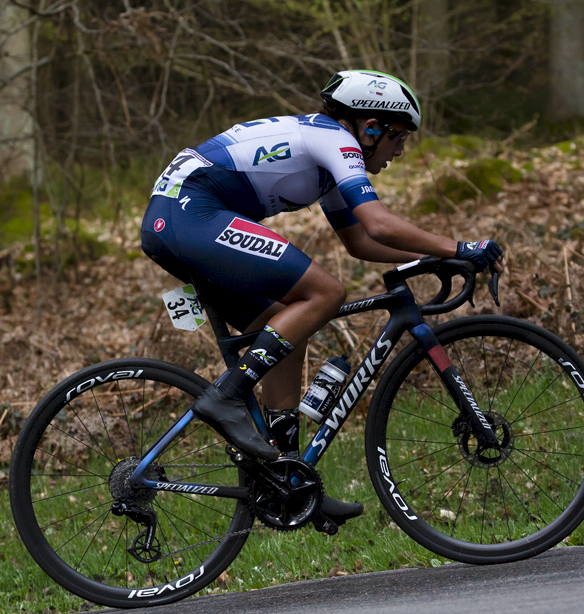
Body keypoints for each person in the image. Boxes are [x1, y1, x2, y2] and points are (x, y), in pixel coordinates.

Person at [141, 69, 503, 526]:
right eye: (398, 137)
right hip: (189, 212)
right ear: (370, 127)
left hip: (178, 218)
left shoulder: (325, 153)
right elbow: (380, 224)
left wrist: (431, 259)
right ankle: (225, 398)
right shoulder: (336, 140)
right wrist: (459, 248)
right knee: (326, 292)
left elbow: (361, 242)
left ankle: (287, 478)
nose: (401, 149)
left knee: (287, 329)